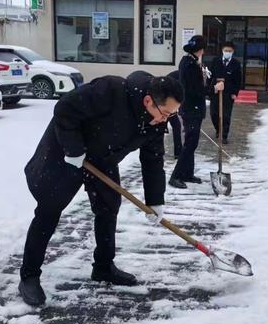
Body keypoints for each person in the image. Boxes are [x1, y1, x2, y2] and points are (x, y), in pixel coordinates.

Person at [18, 71, 183, 306]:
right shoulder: (110, 90)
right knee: (49, 210)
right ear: (148, 101)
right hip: (67, 153)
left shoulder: (155, 123)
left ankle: (104, 267)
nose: (166, 119)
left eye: (172, 114)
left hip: (102, 159)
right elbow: (65, 109)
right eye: (165, 112)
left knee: (108, 206)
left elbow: (153, 161)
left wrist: (155, 201)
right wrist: (73, 149)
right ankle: (29, 275)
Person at [169, 35, 211, 189]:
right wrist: (213, 89)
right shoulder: (190, 65)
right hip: (191, 109)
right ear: (200, 50)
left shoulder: (189, 61)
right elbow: (195, 89)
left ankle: (187, 173)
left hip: (191, 108)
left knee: (191, 143)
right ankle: (175, 176)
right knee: (190, 144)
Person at [208, 41, 242, 144]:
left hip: (228, 93)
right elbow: (210, 76)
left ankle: (224, 135)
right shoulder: (215, 61)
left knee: (226, 115)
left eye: (229, 51)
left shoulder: (236, 64)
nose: (227, 52)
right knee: (214, 114)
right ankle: (218, 129)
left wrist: (234, 93)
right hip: (215, 91)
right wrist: (209, 89)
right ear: (222, 51)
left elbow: (238, 80)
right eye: (225, 50)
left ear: (233, 52)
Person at [167, 70, 182, 159]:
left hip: (171, 105)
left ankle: (178, 152)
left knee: (177, 126)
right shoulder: (177, 77)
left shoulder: (183, 75)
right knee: (162, 128)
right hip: (165, 105)